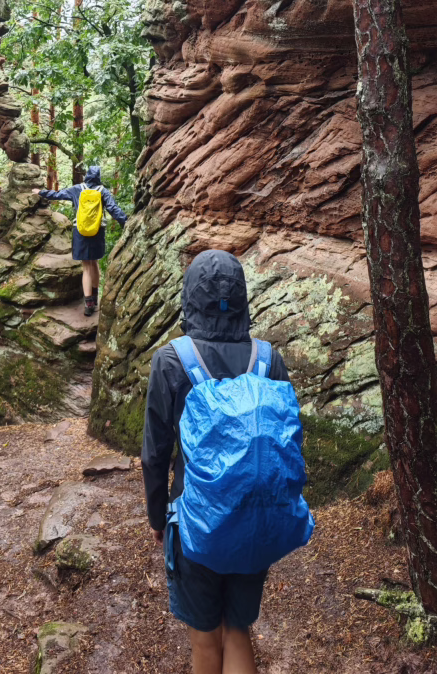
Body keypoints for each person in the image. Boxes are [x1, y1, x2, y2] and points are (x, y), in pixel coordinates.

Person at [142, 250, 291, 674]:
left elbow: (155, 453)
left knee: (206, 641)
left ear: (189, 296)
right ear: (242, 298)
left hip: (195, 521)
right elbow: (285, 443)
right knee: (238, 630)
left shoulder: (171, 360)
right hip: (255, 521)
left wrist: (157, 516)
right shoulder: (268, 359)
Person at [35, 164, 127, 315]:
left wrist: (41, 192)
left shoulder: (77, 189)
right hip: (98, 231)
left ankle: (88, 305)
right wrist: (125, 221)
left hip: (81, 231)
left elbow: (58, 195)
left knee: (86, 267)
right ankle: (96, 299)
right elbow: (113, 208)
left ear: (86, 176)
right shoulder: (103, 191)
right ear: (98, 177)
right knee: (95, 262)